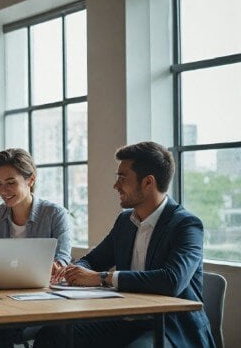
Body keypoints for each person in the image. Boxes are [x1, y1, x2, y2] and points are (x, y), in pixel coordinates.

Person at [36, 141, 215, 347]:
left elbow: (171, 281)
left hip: (170, 326)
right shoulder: (125, 221)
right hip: (124, 319)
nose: (115, 185)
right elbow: (94, 260)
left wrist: (102, 278)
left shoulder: (185, 225)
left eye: (122, 178)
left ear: (148, 182)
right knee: (52, 335)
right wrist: (75, 271)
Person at [0, 148, 72, 348]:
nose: (3, 190)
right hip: (0, 298)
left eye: (11, 183)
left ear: (31, 180)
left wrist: (56, 266)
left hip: (41, 300)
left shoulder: (55, 214)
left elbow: (62, 258)